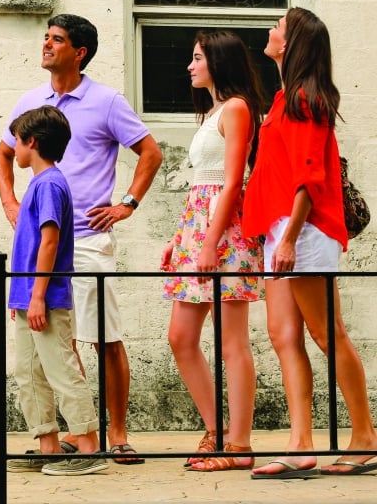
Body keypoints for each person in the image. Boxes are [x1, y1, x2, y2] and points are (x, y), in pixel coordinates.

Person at [0, 14, 162, 464]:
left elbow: (150, 150)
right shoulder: (31, 102)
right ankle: (74, 435)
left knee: (103, 337)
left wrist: (127, 203)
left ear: (79, 51)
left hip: (86, 239)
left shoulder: (107, 101)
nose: (46, 45)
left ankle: (117, 434)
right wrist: (11, 204)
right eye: (46, 37)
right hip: (45, 243)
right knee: (56, 342)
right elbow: (3, 154)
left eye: (57, 39)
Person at [242, 7, 377, 478]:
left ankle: (365, 436)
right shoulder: (284, 99)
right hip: (281, 231)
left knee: (326, 333)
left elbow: (308, 178)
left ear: (294, 41)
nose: (270, 31)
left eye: (277, 26)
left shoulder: (306, 99)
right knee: (283, 336)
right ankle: (301, 444)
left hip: (303, 232)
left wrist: (290, 239)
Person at [160, 30, 265, 472]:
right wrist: (179, 239)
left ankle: (238, 445)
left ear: (218, 62)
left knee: (232, 340)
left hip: (225, 234)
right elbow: (202, 184)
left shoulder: (238, 108)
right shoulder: (212, 111)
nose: (190, 65)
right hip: (199, 230)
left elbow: (233, 181)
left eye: (198, 57)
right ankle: (216, 432)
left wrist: (207, 243)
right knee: (181, 337)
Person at [6, 106, 108, 476]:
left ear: (31, 142)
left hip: (44, 298)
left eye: (16, 141)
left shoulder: (49, 183)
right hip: (27, 297)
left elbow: (49, 242)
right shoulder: (39, 183)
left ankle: (88, 445)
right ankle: (48, 445)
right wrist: (21, 297)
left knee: (61, 370)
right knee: (29, 373)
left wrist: (36, 296)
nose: (13, 148)